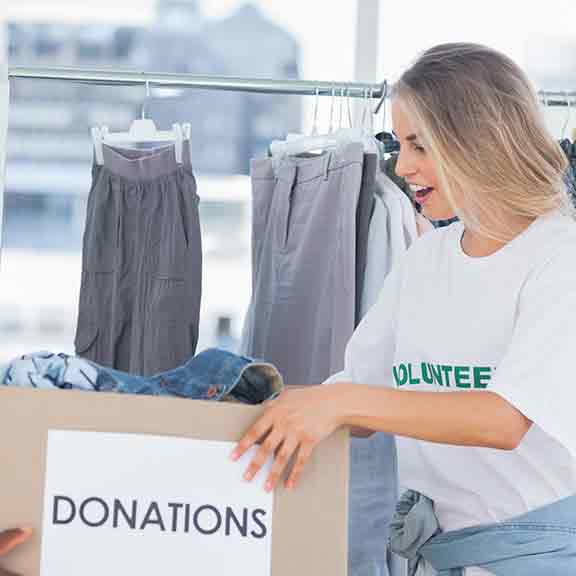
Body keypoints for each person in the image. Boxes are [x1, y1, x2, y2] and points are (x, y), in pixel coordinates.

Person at [232, 43, 576, 574]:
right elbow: (358, 400)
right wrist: (229, 407)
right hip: (441, 559)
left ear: (479, 140)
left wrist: (341, 402)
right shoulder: (429, 258)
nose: (402, 166)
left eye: (420, 146)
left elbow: (503, 420)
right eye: (400, 144)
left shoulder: (560, 257)